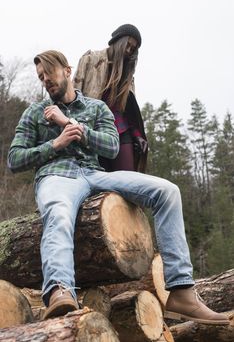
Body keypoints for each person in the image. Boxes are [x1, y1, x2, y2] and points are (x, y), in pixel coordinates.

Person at [8, 50, 229, 325]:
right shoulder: (34, 113)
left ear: (67, 70)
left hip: (95, 175)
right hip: (57, 177)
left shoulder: (96, 108)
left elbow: (111, 147)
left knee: (167, 191)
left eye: (49, 73)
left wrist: (72, 126)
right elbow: (14, 159)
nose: (45, 81)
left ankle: (182, 292)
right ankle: (60, 291)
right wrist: (55, 144)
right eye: (40, 77)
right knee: (59, 213)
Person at [73, 24, 148, 172]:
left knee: (128, 181)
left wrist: (137, 135)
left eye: (133, 49)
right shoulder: (90, 60)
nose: (128, 51)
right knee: (100, 181)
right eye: (127, 45)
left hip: (121, 130)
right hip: (93, 129)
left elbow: (128, 111)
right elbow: (74, 93)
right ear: (117, 41)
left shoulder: (128, 76)